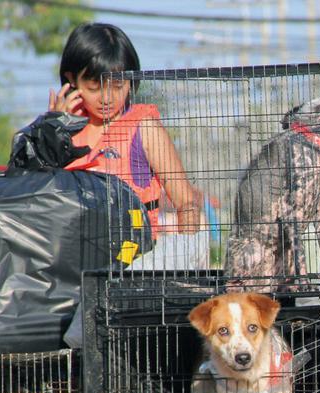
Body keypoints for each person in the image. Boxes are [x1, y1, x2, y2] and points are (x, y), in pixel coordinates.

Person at [48, 22, 206, 247]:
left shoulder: (145, 129)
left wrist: (186, 264)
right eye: (95, 86)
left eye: (118, 85)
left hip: (133, 265)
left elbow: (186, 203)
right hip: (74, 267)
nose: (107, 98)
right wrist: (52, 130)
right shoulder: (56, 128)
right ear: (72, 79)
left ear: (131, 80)